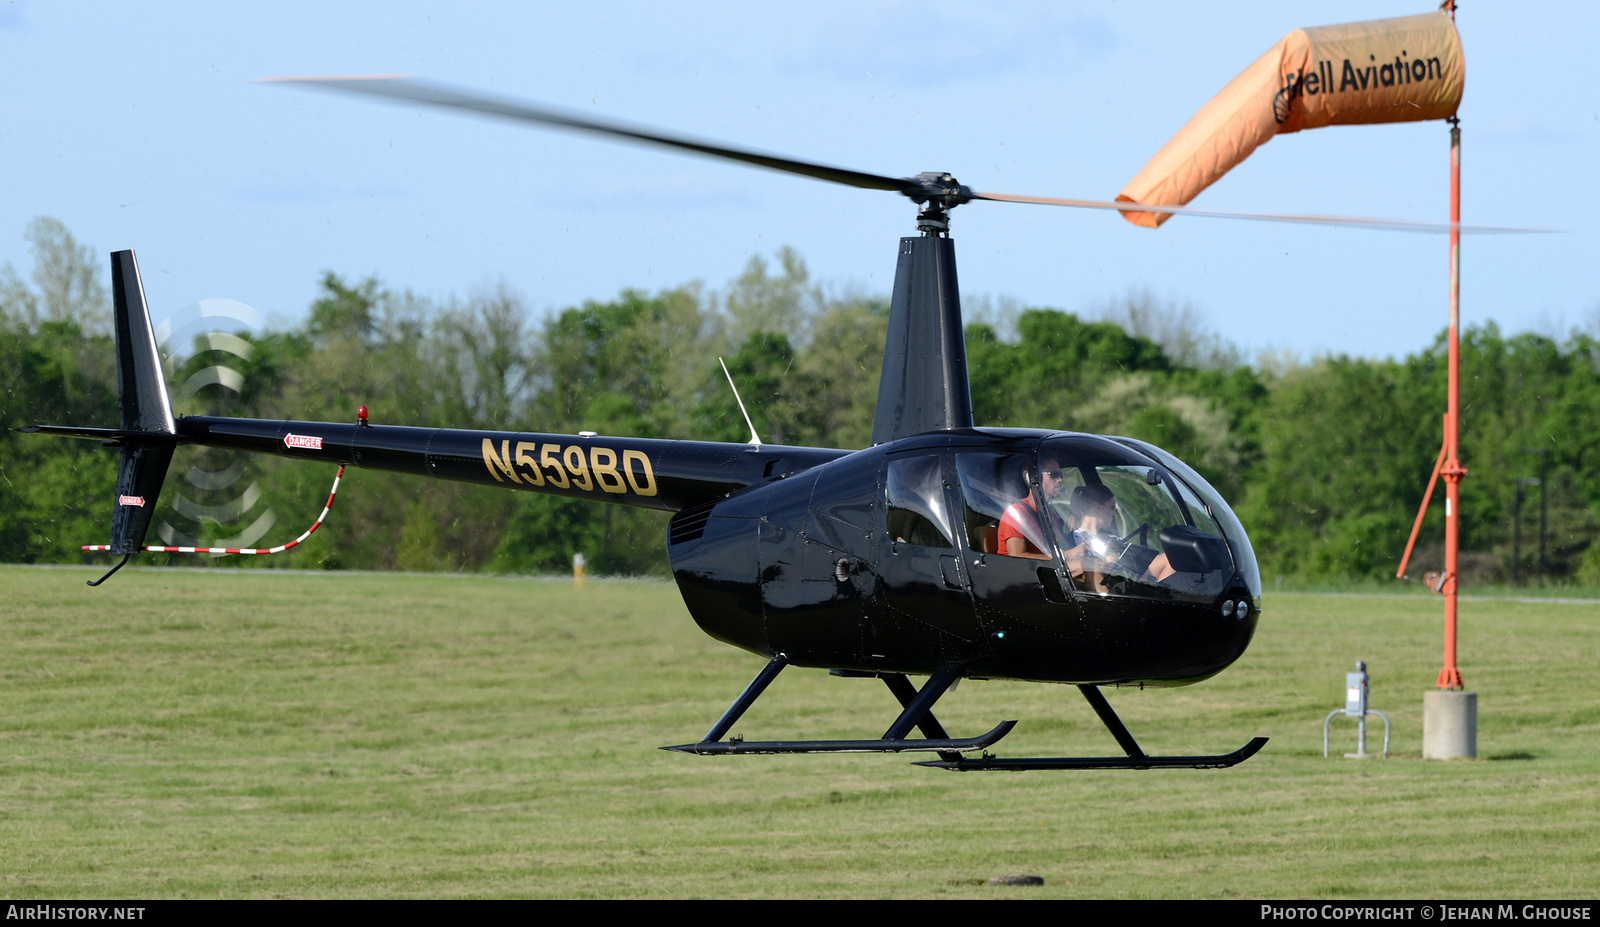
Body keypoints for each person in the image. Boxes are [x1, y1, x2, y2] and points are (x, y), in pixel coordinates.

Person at [1061, 482, 1177, 585]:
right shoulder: (1071, 540)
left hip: (1126, 578)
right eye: (1111, 508)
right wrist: (1104, 563)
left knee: (1172, 558)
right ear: (1097, 507)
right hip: (1104, 585)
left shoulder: (1112, 538)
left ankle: (1156, 593)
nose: (1113, 514)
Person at [997, 458, 1066, 559]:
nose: (1060, 480)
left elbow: (1061, 549)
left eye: (1061, 475)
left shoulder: (1052, 517)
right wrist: (1066, 556)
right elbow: (1017, 556)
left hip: (1053, 571)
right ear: (1033, 477)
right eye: (1054, 474)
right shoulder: (1016, 513)